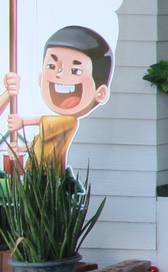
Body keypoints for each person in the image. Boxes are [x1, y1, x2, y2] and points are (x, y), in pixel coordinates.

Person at [3, 25, 115, 168]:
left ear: (100, 93)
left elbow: (47, 121)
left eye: (75, 70)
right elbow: (39, 141)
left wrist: (23, 122)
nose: (59, 74)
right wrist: (21, 148)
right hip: (35, 170)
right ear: (40, 78)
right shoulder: (50, 129)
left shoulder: (68, 122)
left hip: (50, 173)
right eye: (52, 66)